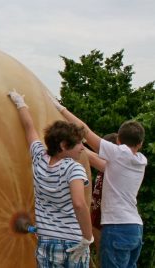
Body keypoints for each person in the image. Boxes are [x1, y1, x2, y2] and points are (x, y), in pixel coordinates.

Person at [52, 96, 147, 268]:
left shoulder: (118, 154)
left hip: (117, 227)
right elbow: (94, 158)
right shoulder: (139, 161)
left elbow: (86, 132)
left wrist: (60, 108)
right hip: (135, 228)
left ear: (118, 141)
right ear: (140, 144)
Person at [8, 89, 93, 267]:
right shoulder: (73, 168)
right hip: (73, 242)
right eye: (78, 143)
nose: (82, 148)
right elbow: (79, 204)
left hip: (47, 242)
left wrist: (20, 104)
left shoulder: (39, 158)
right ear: (63, 145)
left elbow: (29, 128)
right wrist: (87, 237)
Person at [87, 133, 117, 263]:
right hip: (97, 217)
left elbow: (88, 156)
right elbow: (93, 155)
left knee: (108, 259)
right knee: (102, 258)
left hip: (107, 221)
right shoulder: (104, 166)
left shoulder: (113, 168)